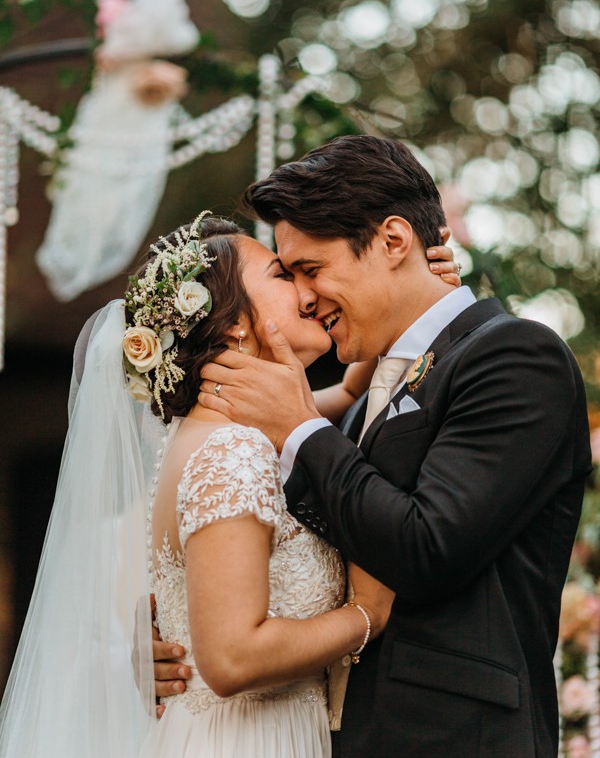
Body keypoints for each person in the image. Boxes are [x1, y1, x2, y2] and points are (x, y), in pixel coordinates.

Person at [182, 135, 592, 758]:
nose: (303, 297)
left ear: (393, 242)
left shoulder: (515, 357)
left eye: (311, 270)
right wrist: (169, 643)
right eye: (288, 275)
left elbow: (428, 547)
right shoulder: (359, 396)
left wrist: (300, 427)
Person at [0, 210, 458, 758]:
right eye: (282, 276)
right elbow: (232, 658)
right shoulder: (232, 451)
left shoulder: (229, 433)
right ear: (234, 324)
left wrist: (411, 290)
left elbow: (347, 399)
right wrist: (365, 616)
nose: (307, 290)